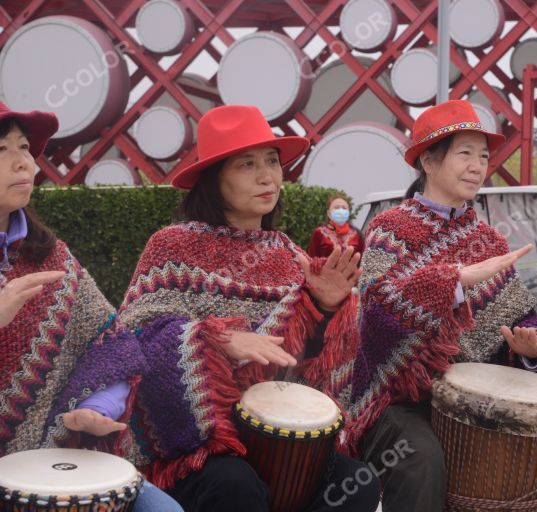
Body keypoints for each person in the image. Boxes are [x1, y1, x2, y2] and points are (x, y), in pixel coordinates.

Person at [329, 100, 537, 512]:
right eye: (465, 154)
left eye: (483, 156)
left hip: (482, 399)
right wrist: (453, 283)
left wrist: (530, 350)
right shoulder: (390, 229)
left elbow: (518, 318)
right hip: (402, 399)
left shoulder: (488, 240)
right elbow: (376, 317)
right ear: (428, 159)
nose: (478, 166)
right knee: (421, 459)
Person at [115, 105, 380, 512]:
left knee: (356, 481)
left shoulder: (292, 256)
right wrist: (214, 340)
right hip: (198, 444)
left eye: (272, 162)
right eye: (247, 165)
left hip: (285, 441)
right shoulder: (171, 246)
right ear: (214, 177)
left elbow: (310, 365)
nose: (267, 176)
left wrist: (324, 307)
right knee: (236, 485)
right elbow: (134, 344)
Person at [0, 103, 181, 511]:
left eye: (24, 146)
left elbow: (112, 344)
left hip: (59, 460)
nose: (23, 161)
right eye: (2, 150)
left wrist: (92, 408)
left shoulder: (52, 257)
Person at [308, 194, 364, 259]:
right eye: (336, 208)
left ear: (348, 213)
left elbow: (361, 260)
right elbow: (311, 258)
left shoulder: (357, 234)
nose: (341, 211)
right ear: (328, 213)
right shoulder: (319, 232)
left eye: (344, 208)